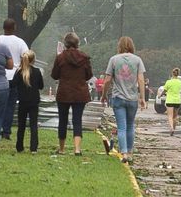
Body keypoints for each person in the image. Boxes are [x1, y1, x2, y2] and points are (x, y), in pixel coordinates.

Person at [101, 36, 146, 164]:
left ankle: (124, 153)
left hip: (118, 98)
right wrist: (142, 98)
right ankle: (130, 153)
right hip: (132, 99)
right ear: (132, 46)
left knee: (121, 127)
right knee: (130, 126)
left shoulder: (114, 60)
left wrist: (104, 95)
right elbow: (141, 79)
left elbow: (108, 80)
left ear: (119, 46)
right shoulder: (138, 60)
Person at [51, 32, 93, 155]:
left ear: (65, 44)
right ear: (77, 43)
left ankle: (62, 149)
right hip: (80, 93)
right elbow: (89, 75)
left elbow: (54, 75)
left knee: (62, 120)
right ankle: (77, 149)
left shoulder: (60, 58)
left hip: (64, 93)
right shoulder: (84, 58)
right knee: (77, 120)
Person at [0, 18, 29, 140]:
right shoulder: (20, 42)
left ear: (3, 27)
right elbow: (27, 57)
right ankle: (6, 131)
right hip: (14, 77)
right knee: (10, 105)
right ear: (14, 28)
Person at [12, 50, 44, 154]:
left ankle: (19, 146)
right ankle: (33, 148)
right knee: (33, 124)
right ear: (33, 60)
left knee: (21, 124)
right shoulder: (37, 71)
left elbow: (13, 84)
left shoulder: (19, 72)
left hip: (22, 101)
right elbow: (41, 86)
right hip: (34, 101)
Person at [162, 69, 181, 136]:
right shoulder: (180, 82)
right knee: (175, 116)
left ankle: (171, 128)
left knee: (170, 116)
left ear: (172, 74)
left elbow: (165, 90)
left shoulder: (168, 82)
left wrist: (160, 95)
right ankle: (174, 128)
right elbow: (180, 89)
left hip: (170, 100)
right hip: (177, 101)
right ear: (178, 74)